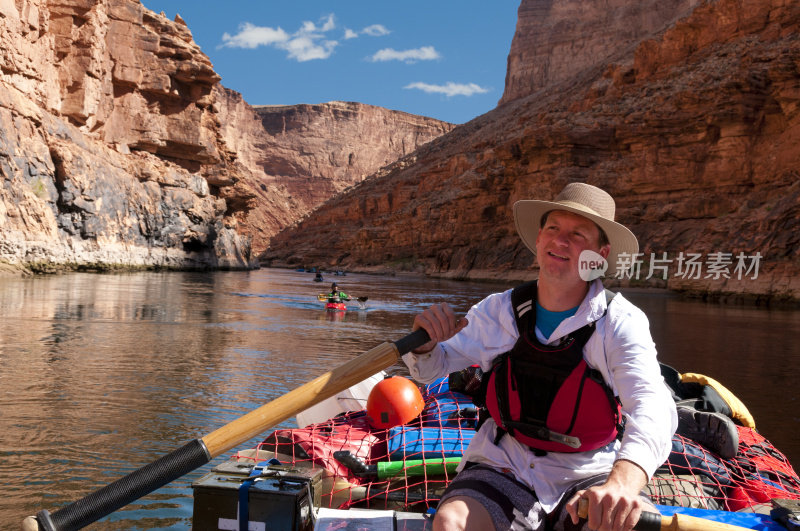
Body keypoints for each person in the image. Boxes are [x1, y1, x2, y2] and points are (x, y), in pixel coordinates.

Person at [403, 182, 678, 531]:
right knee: (450, 523)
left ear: (601, 255)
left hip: (587, 474)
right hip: (505, 464)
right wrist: (425, 346)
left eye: (577, 234)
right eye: (552, 228)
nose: (560, 241)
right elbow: (436, 366)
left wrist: (622, 483)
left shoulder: (620, 322)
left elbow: (652, 408)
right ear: (538, 240)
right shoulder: (499, 311)